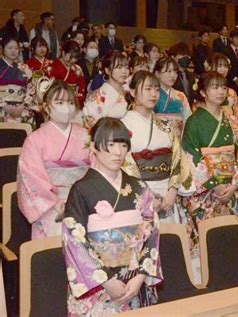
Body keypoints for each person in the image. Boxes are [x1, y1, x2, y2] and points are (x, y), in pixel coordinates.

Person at [62, 117, 162, 315]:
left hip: (135, 282)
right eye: (110, 145)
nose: (118, 152)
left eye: (123, 144)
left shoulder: (138, 186)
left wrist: (141, 275)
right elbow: (74, 240)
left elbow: (152, 230)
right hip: (98, 285)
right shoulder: (81, 189)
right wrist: (106, 280)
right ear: (94, 148)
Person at [17, 80, 89, 239]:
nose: (67, 107)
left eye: (70, 102)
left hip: (84, 200)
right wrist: (56, 204)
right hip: (51, 205)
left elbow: (97, 169)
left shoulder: (86, 136)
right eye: (60, 102)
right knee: (58, 233)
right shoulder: (35, 140)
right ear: (47, 107)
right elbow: (31, 177)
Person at [121, 70, 193, 224]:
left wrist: (173, 190)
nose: (153, 94)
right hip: (139, 194)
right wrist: (145, 196)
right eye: (147, 89)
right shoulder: (122, 126)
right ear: (133, 92)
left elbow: (177, 158)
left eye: (156, 89)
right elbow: (123, 164)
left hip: (167, 193)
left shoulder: (166, 126)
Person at [182, 71, 238, 226]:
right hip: (206, 190)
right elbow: (190, 157)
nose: (221, 92)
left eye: (224, 88)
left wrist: (235, 183)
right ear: (203, 92)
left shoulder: (231, 120)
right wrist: (214, 184)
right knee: (207, 238)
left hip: (230, 186)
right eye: (215, 87)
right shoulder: (194, 121)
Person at [84, 50, 130, 128]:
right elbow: (90, 122)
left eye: (126, 67)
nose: (124, 71)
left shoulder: (129, 91)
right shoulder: (99, 95)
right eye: (119, 67)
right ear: (107, 70)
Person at [0, 36, 36, 127]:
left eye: (16, 48)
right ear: (2, 48)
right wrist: (5, 106)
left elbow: (31, 88)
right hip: (2, 107)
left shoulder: (24, 67)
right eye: (9, 48)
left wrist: (23, 105)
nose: (13, 51)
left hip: (21, 108)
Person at [153, 57, 191, 135]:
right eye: (168, 71)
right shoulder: (152, 95)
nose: (173, 75)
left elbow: (188, 120)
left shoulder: (180, 95)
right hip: (157, 136)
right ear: (157, 74)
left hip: (178, 137)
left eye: (175, 71)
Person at [49, 40, 86, 105]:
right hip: (57, 101)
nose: (73, 60)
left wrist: (77, 98)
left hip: (74, 101)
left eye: (75, 58)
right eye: (71, 57)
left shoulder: (77, 69)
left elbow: (81, 86)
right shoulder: (52, 67)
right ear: (63, 53)